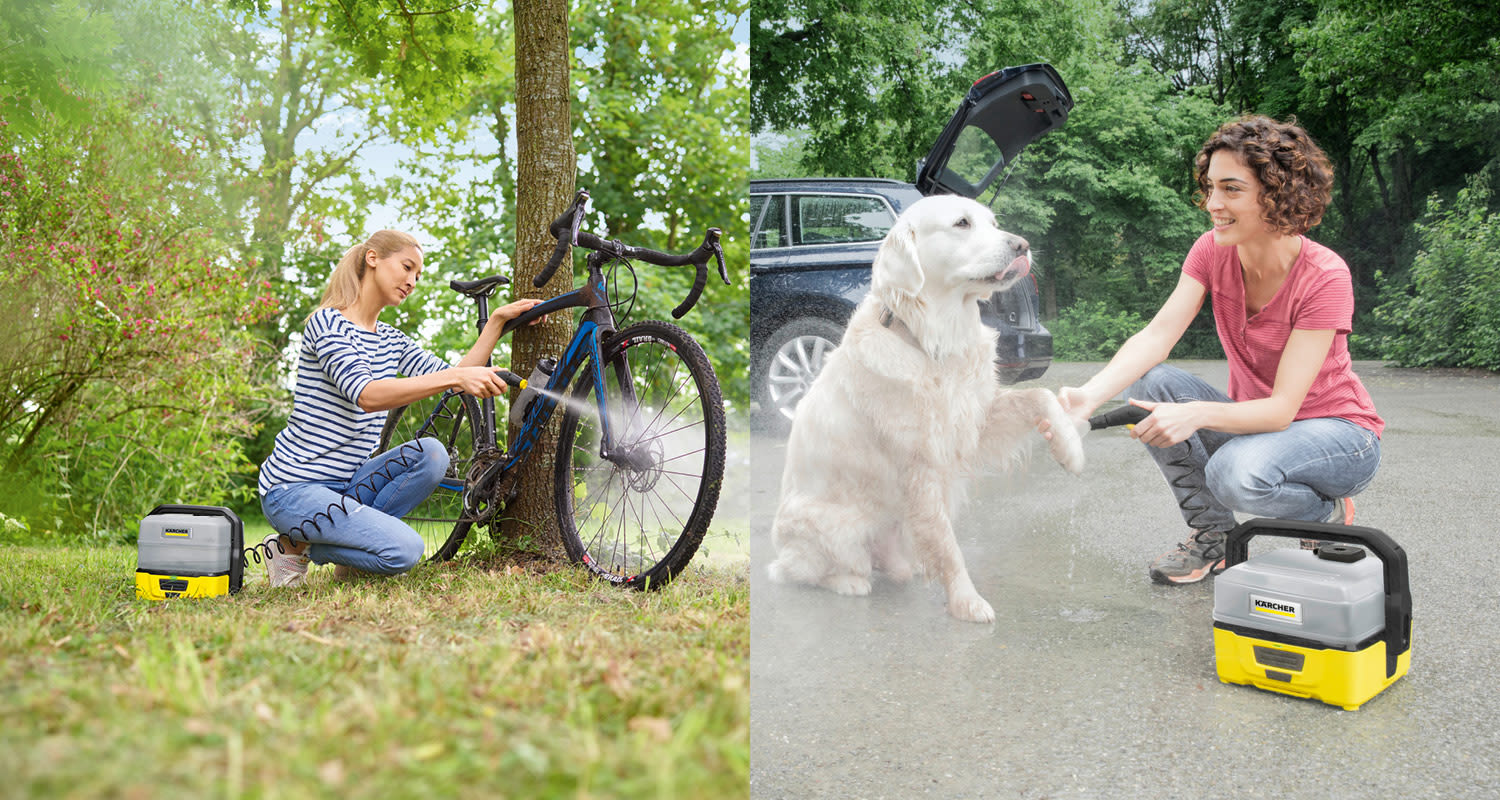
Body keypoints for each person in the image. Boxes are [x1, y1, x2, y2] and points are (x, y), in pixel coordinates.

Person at [1049, 115, 1383, 585]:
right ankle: (1215, 538)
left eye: (1231, 189)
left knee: (1231, 473)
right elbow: (1156, 337)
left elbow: (1283, 411)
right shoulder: (1211, 251)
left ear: (1278, 192)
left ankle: (1319, 509)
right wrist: (1090, 395)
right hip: (1262, 429)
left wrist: (1196, 415)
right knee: (1155, 383)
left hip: (1340, 437)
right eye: (1210, 188)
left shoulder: (1325, 276)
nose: (1212, 203)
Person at [257, 230, 543, 587]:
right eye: (407, 268)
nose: (412, 281)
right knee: (405, 551)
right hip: (294, 489)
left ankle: (341, 549)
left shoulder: (392, 340)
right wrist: (458, 377)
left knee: (432, 454)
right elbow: (367, 394)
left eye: (418, 276)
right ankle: (291, 545)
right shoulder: (327, 324)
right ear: (373, 258)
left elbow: (453, 377)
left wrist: (497, 323)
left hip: (349, 487)